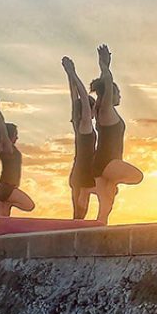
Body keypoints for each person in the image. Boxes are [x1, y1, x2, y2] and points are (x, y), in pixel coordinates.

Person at [91, 45, 143, 224]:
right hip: (107, 162)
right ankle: (112, 183)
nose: (120, 96)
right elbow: (107, 81)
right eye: (118, 93)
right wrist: (104, 65)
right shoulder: (105, 110)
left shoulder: (102, 110)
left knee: (107, 204)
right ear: (110, 94)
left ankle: (98, 229)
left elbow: (105, 85)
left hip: (102, 163)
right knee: (137, 176)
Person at [0, 89, 37, 217]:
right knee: (29, 205)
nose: (17, 138)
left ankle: (6, 204)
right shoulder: (7, 148)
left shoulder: (2, 148)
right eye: (16, 135)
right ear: (10, 136)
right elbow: (0, 125)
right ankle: (8, 202)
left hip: (3, 189)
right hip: (7, 189)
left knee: (3, 221)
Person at [62, 56, 96, 219]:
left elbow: (74, 97)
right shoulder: (85, 125)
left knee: (79, 214)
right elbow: (81, 98)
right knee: (80, 214)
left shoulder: (78, 125)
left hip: (79, 172)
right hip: (83, 174)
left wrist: (70, 75)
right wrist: (73, 73)